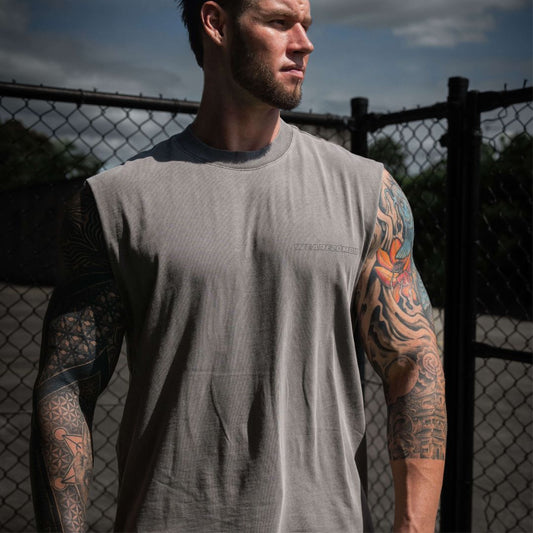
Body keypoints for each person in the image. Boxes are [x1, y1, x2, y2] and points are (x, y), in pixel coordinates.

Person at [30, 0, 447, 531]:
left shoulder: (367, 192)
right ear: (216, 23)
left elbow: (414, 362)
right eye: (279, 22)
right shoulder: (113, 203)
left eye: (306, 25)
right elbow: (67, 385)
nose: (304, 42)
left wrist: (415, 527)